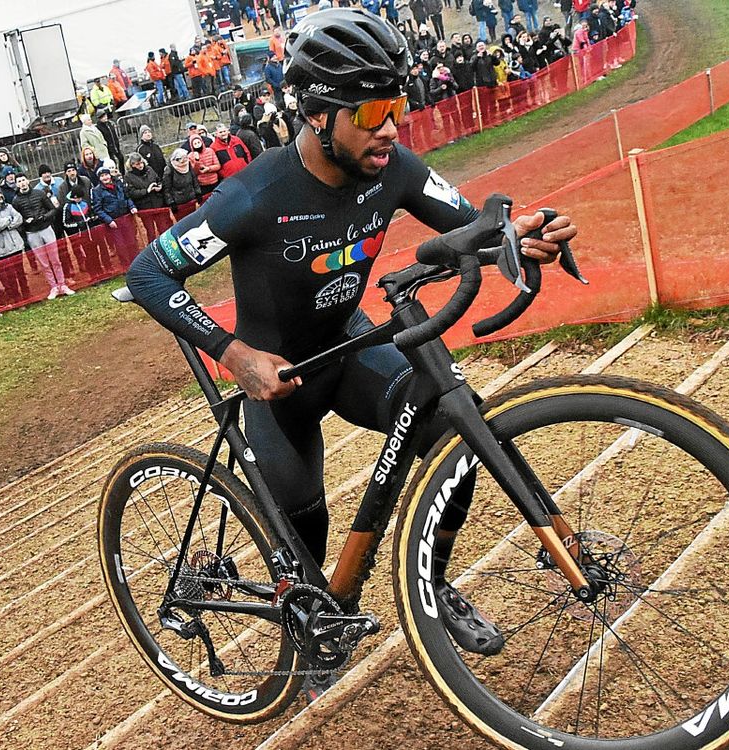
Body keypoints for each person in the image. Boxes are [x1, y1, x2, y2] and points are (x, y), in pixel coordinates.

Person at [124, 8, 577, 681]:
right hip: (278, 385)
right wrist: (234, 354)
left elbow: (469, 225)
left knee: (457, 443)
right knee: (308, 531)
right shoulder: (253, 195)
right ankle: (309, 634)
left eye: (395, 105)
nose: (391, 127)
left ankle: (432, 584)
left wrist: (520, 234)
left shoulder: (393, 167)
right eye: (370, 112)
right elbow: (147, 273)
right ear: (316, 113)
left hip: (348, 347)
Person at [13, 175, 71, 299]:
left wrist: (44, 217)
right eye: (19, 182)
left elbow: (52, 209)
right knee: (44, 263)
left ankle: (62, 284)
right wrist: (25, 221)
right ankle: (53, 287)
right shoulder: (16, 201)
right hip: (32, 233)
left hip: (46, 229)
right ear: (17, 184)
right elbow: (17, 218)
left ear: (28, 181)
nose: (22, 183)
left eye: (23, 180)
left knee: (55, 259)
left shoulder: (39, 193)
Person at [91, 166, 139, 268]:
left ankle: (137, 262)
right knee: (120, 245)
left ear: (110, 175)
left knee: (132, 241)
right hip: (113, 222)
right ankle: (126, 266)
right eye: (102, 176)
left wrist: (132, 206)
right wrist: (109, 221)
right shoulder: (97, 191)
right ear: (99, 178)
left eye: (106, 175)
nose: (105, 177)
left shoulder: (118, 183)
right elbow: (98, 209)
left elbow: (126, 197)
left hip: (126, 217)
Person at [161, 148, 201, 220]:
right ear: (177, 159)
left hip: (191, 199)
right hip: (179, 203)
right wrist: (171, 202)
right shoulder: (169, 169)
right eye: (183, 158)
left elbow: (194, 178)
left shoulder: (188, 164)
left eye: (186, 158)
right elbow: (166, 188)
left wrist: (198, 192)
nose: (185, 160)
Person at [186, 134, 221, 199]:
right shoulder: (190, 156)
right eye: (195, 143)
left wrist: (208, 168)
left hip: (214, 181)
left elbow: (218, 166)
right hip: (202, 184)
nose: (197, 144)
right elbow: (194, 172)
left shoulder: (210, 151)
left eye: (198, 142)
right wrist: (197, 160)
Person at [96, 108, 124, 173]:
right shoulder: (99, 127)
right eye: (103, 117)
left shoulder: (109, 123)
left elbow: (113, 134)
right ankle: (114, 174)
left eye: (105, 116)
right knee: (112, 162)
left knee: (121, 158)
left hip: (115, 145)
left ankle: (122, 173)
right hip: (108, 147)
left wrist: (117, 142)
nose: (105, 118)